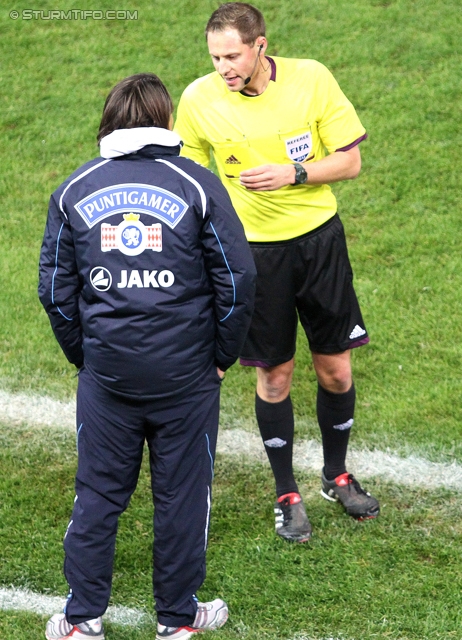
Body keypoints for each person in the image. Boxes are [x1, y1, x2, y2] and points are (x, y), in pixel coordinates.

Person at [38, 72, 256, 640]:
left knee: (98, 497)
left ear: (109, 122)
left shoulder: (73, 189)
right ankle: (179, 622)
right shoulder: (200, 185)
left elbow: (55, 292)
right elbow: (238, 279)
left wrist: (86, 357)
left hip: (107, 380)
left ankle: (81, 621)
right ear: (164, 120)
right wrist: (221, 357)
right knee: (183, 497)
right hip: (187, 379)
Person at [174, 2, 379, 544]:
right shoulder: (198, 99)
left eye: (233, 55)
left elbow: (351, 161)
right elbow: (189, 174)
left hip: (319, 243)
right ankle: (287, 493)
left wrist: (294, 173)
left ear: (261, 46)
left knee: (335, 370)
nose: (224, 67)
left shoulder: (311, 79)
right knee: (275, 375)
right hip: (254, 254)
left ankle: (336, 475)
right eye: (216, 56)